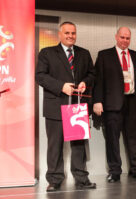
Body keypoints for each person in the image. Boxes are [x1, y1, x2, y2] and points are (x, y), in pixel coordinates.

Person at [35, 21, 96, 192]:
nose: (70, 36)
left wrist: (85, 82)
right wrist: (61, 86)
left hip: (77, 107)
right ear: (60, 34)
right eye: (67, 33)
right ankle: (54, 179)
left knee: (78, 145)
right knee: (55, 145)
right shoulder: (47, 53)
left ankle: (81, 178)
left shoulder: (84, 53)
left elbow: (92, 74)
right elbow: (40, 76)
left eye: (73, 33)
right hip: (56, 105)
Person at [93, 27, 136, 183]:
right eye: (122, 37)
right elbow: (98, 81)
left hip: (133, 102)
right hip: (112, 104)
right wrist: (97, 101)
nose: (125, 40)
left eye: (128, 38)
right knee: (112, 139)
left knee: (134, 138)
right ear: (116, 37)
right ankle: (115, 171)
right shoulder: (104, 55)